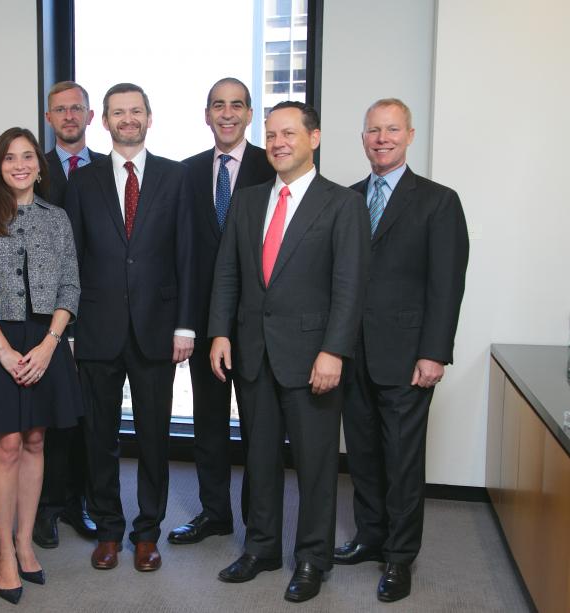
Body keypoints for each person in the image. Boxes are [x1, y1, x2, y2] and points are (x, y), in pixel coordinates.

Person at [208, 101, 369, 603]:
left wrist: (334, 351)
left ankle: (312, 558)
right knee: (258, 459)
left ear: (314, 139)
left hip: (313, 359)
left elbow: (349, 286)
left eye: (289, 134)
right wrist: (220, 332)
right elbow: (229, 272)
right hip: (254, 352)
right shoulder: (249, 200)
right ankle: (261, 548)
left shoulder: (342, 204)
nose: (278, 142)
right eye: (272, 134)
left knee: (316, 465)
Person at [333, 98, 469, 603]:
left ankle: (399, 556)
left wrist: (434, 353)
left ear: (410, 135)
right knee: (363, 455)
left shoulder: (438, 201)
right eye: (373, 131)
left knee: (403, 460)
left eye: (392, 130)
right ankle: (370, 537)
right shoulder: (345, 199)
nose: (382, 139)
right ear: (363, 137)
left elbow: (446, 285)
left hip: (409, 356)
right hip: (352, 355)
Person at [65, 83, 195, 573]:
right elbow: (71, 260)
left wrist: (186, 325)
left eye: (135, 111)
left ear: (149, 117)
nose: (127, 119)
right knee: (99, 436)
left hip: (158, 329)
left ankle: (147, 532)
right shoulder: (83, 180)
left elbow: (187, 255)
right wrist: (70, 329)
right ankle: (109, 529)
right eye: (118, 112)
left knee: (155, 437)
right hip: (96, 329)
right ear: (104, 120)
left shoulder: (175, 177)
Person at [0, 127, 82, 605]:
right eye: (10, 158)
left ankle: (26, 540)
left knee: (35, 439)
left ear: (39, 165)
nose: (21, 165)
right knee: (5, 444)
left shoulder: (58, 218)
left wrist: (51, 343)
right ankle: (4, 551)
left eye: (28, 156)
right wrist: (4, 350)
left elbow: (71, 286)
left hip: (45, 338)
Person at [169, 77, 275, 546]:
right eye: (218, 105)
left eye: (237, 105)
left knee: (258, 429)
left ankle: (259, 521)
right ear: (206, 114)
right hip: (206, 322)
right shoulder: (186, 173)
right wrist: (187, 324)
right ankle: (215, 513)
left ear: (250, 114)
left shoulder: (272, 166)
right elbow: (182, 254)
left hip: (257, 324)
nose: (227, 113)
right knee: (208, 425)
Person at [32, 81, 105, 548]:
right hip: (40, 311)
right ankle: (45, 507)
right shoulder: (28, 166)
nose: (69, 116)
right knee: (44, 415)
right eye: (60, 109)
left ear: (90, 115)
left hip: (92, 308)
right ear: (49, 118)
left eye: (76, 108)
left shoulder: (105, 169)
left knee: (83, 415)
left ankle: (79, 502)